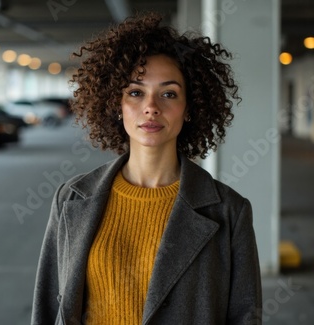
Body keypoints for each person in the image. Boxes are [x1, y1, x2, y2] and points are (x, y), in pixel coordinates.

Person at [31, 12, 262, 325]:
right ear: (117, 104)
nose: (151, 106)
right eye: (136, 92)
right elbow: (47, 307)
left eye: (168, 93)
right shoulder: (71, 198)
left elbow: (245, 316)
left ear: (189, 108)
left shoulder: (230, 211)